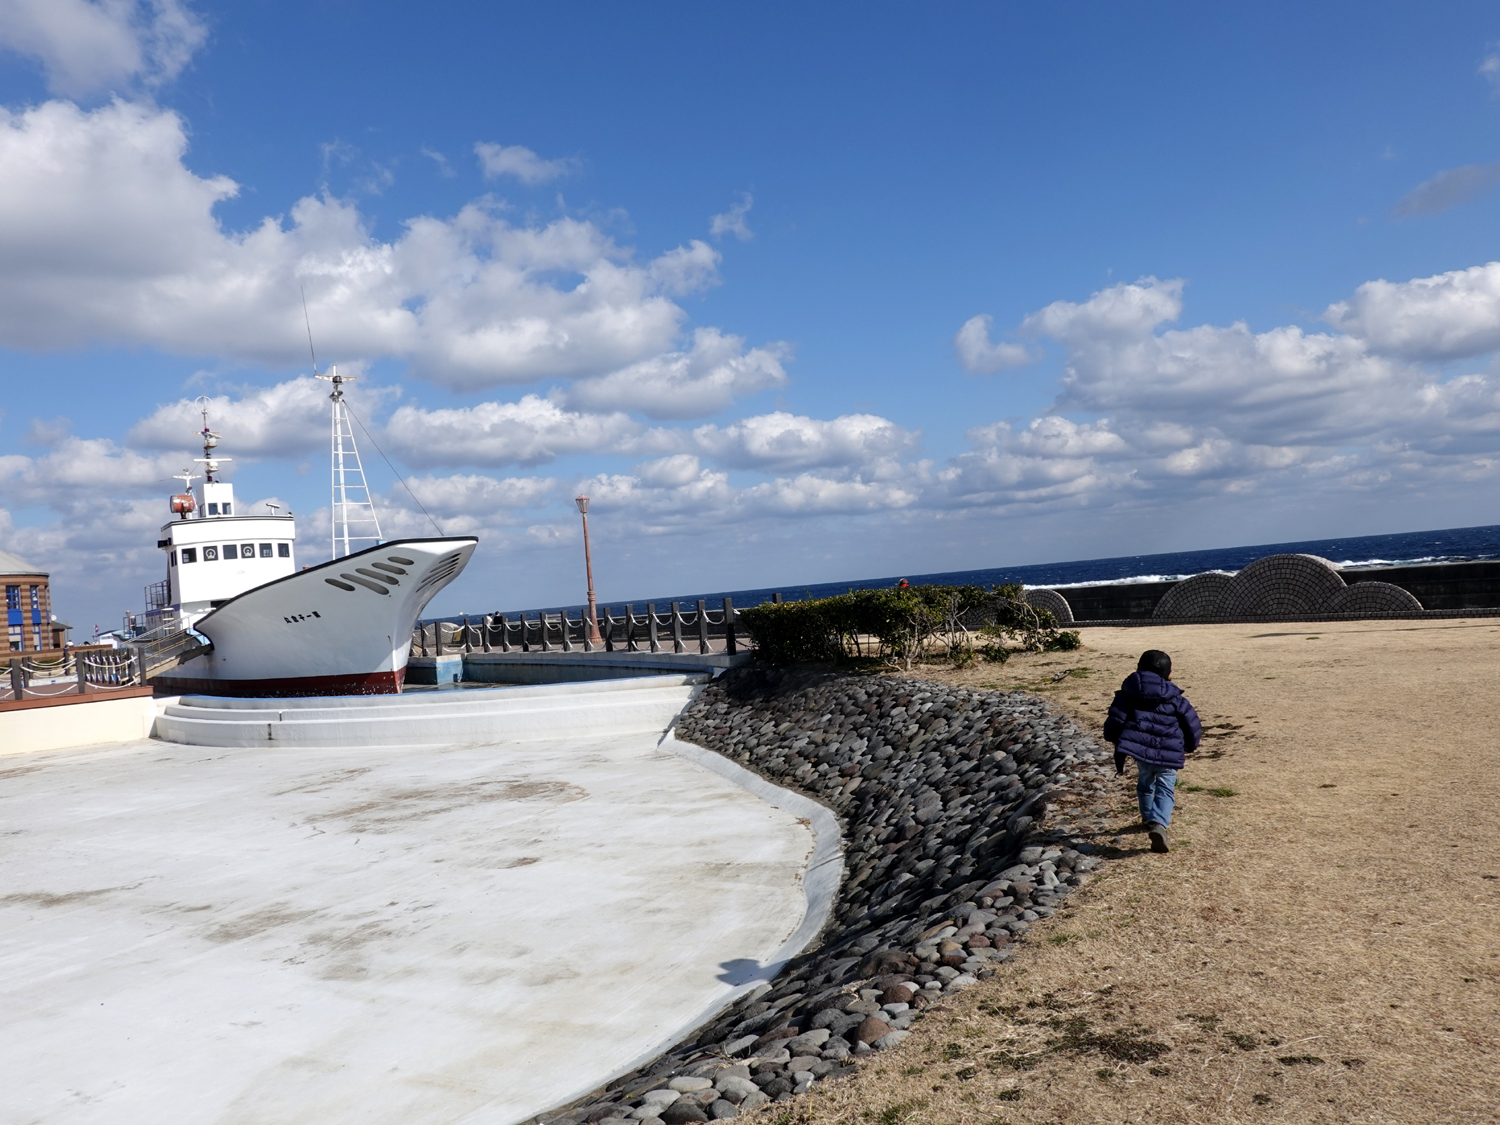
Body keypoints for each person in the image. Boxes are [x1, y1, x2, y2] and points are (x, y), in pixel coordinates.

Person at [1103, 649, 1202, 853]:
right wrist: (1191, 745)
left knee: (1145, 783)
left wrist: (1113, 736)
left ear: (1138, 669)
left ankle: (1148, 817)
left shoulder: (1128, 694)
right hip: (1169, 752)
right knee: (1165, 788)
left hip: (1141, 752)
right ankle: (1159, 824)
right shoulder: (1175, 697)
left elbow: (1116, 718)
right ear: (1169, 674)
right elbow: (1191, 723)